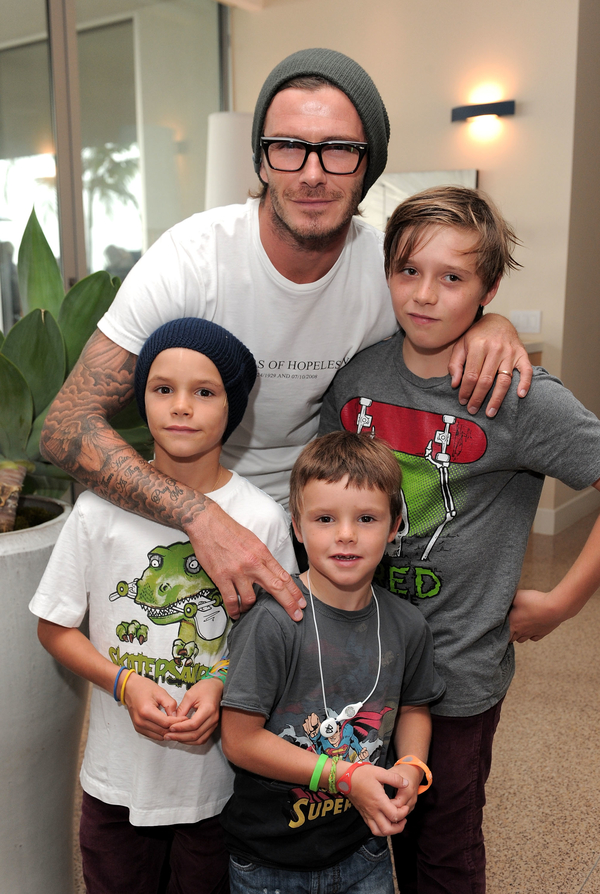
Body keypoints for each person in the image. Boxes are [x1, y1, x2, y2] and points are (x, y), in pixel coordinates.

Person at [40, 48, 532, 624]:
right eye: (288, 146)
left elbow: (451, 301)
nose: (312, 173)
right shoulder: (192, 259)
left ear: (368, 166)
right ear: (262, 161)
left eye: (339, 150)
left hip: (319, 521)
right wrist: (203, 516)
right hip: (182, 504)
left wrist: (494, 323)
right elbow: (64, 427)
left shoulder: (387, 272)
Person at [318, 185, 600, 893]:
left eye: (452, 277)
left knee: (442, 849)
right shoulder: (356, 380)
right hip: (358, 667)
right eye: (408, 270)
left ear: (488, 289)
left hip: (456, 674)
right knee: (361, 834)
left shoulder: (519, 395)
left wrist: (564, 602)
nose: (424, 295)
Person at [29, 318, 297, 894]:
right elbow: (54, 627)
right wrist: (123, 683)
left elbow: (281, 640)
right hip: (116, 782)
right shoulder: (97, 510)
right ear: (141, 398)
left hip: (218, 789)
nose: (181, 406)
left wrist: (221, 683)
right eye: (162, 388)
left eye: (204, 391)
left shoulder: (261, 520)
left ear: (233, 407)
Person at [219, 431, 445, 893]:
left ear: (395, 526)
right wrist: (345, 777)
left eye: (366, 518)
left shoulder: (407, 625)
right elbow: (239, 741)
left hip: (364, 851)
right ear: (298, 527)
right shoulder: (273, 623)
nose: (346, 534)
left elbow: (414, 707)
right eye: (325, 518)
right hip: (269, 861)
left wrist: (411, 765)